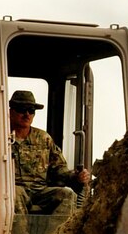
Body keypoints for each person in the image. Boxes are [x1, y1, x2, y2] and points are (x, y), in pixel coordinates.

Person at [8, 90, 88, 222]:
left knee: (67, 195)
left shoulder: (43, 139)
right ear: (11, 112)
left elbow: (59, 169)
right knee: (15, 194)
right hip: (11, 192)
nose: (27, 114)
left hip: (39, 192)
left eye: (31, 110)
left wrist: (76, 177)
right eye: (22, 109)